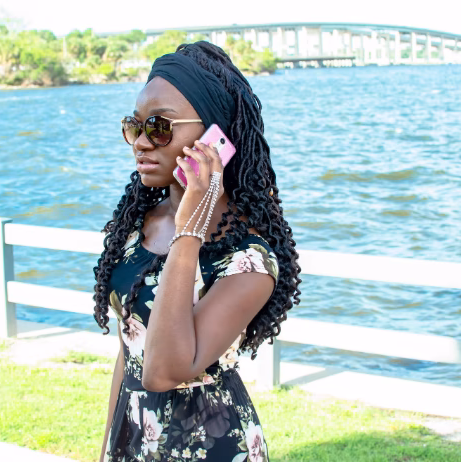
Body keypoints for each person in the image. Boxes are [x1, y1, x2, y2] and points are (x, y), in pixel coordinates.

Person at [93, 41, 301, 461]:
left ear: (215, 138)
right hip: (132, 439)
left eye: (160, 127)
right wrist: (107, 449)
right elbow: (129, 351)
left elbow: (163, 372)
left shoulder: (249, 260)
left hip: (211, 445)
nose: (141, 142)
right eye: (135, 126)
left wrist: (189, 233)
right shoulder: (136, 227)